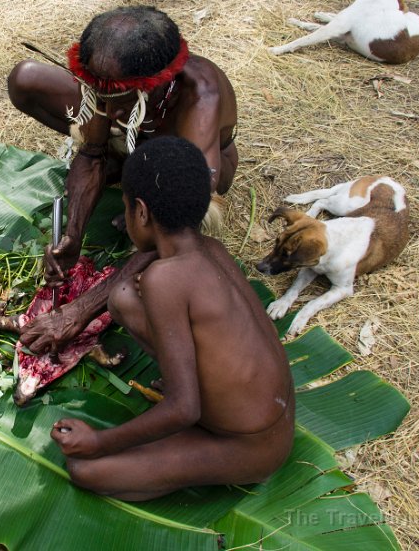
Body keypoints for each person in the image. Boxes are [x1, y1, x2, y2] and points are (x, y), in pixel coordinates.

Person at [49, 137, 294, 501]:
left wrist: (98, 441)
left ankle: (192, 447)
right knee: (124, 297)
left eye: (127, 207)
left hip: (250, 446)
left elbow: (184, 408)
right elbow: (144, 276)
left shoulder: (166, 279)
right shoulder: (212, 250)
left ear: (142, 212)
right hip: (275, 417)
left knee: (86, 469)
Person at [8, 5, 238, 290]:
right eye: (100, 95)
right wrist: (73, 235)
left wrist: (82, 310)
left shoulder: (200, 97)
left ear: (155, 85)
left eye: (121, 99)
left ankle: (139, 188)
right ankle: (123, 164)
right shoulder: (106, 79)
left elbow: (189, 208)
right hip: (136, 137)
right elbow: (91, 152)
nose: (108, 109)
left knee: (182, 215)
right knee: (25, 79)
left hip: (187, 162)